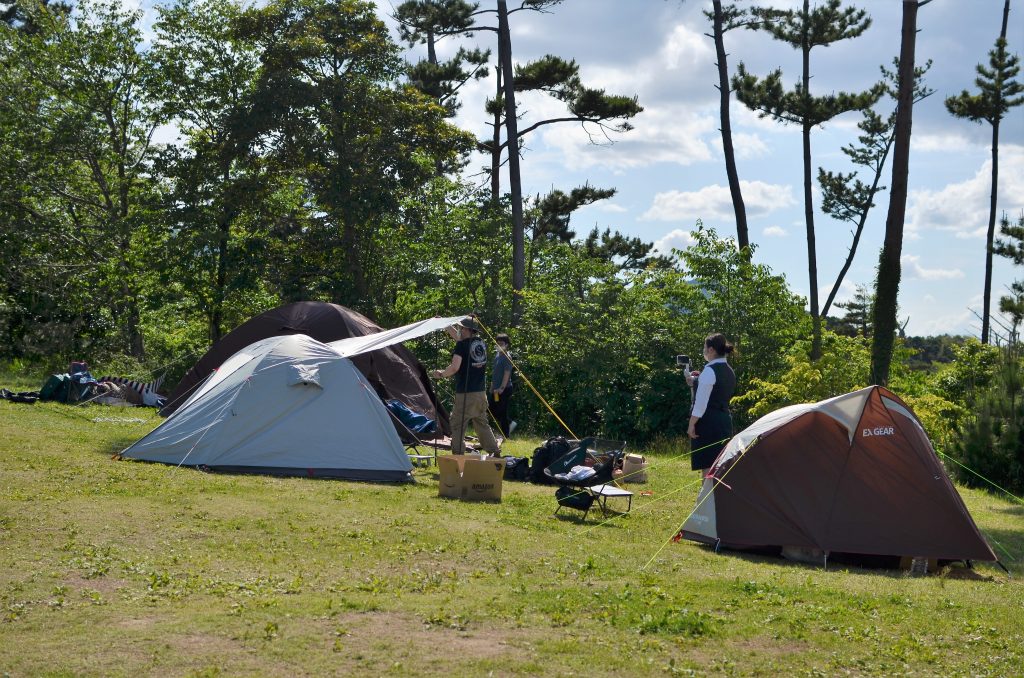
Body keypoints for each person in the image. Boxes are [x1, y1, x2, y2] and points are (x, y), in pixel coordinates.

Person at [431, 317, 500, 456]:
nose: (460, 330)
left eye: (462, 328)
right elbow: (460, 340)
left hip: (466, 394)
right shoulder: (480, 343)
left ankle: (458, 455)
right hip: (480, 393)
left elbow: (455, 367)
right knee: (482, 424)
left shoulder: (461, 346)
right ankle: (495, 453)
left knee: (457, 424)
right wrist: (445, 325)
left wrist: (441, 374)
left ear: (467, 330)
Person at [685, 333, 736, 472]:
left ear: (711, 350)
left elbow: (700, 404)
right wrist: (696, 381)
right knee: (720, 467)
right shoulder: (729, 370)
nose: (704, 351)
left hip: (708, 423)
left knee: (708, 469)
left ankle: (708, 494)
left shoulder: (709, 370)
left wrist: (691, 424)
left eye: (704, 347)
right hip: (724, 422)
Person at [488, 333, 516, 438]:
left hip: (504, 389)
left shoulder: (507, 357)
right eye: (498, 343)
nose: (499, 345)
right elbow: (495, 372)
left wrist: (502, 388)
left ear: (507, 344)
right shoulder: (497, 355)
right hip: (495, 390)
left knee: (502, 411)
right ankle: (509, 423)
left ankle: (506, 435)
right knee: (490, 409)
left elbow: (507, 373)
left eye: (502, 343)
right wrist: (492, 386)